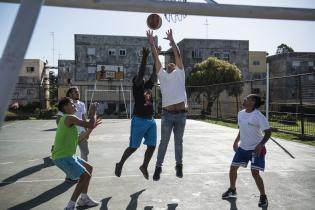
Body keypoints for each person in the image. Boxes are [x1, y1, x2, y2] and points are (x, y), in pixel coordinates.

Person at [147, 29, 188, 181]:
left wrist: (172, 41)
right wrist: (152, 44)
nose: (171, 64)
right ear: (166, 69)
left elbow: (178, 55)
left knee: (179, 142)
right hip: (168, 115)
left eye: (173, 64)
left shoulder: (180, 73)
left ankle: (179, 166)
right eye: (169, 65)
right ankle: (158, 167)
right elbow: (156, 59)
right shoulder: (162, 76)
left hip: (182, 114)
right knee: (163, 142)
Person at [222, 94, 271, 208]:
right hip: (243, 148)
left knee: (255, 173)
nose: (245, 99)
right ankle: (232, 190)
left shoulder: (258, 116)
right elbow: (242, 129)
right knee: (233, 168)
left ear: (253, 102)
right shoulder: (241, 113)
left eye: (247, 98)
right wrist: (236, 141)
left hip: (256, 149)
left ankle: (263, 196)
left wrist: (261, 144)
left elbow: (268, 132)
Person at [52, 98, 102, 210]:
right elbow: (89, 123)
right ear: (65, 107)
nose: (74, 105)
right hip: (63, 157)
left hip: (68, 155)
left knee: (89, 168)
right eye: (72, 104)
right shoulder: (69, 118)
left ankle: (84, 198)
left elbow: (79, 139)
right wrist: (93, 111)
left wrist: (91, 129)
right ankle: (70, 206)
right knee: (85, 176)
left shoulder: (68, 120)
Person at [115, 47, 157, 180]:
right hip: (139, 120)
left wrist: (156, 57)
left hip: (151, 120)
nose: (142, 78)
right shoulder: (137, 87)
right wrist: (145, 56)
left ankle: (144, 166)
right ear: (136, 82)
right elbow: (141, 72)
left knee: (152, 145)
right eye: (139, 78)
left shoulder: (148, 87)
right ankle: (120, 163)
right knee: (133, 147)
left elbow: (154, 73)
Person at [56, 87, 91, 162]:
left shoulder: (81, 104)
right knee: (69, 154)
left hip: (81, 132)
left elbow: (83, 118)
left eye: (78, 92)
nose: (78, 93)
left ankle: (82, 169)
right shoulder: (65, 104)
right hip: (70, 134)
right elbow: (59, 119)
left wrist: (86, 131)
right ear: (70, 94)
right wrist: (62, 131)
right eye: (75, 92)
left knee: (85, 152)